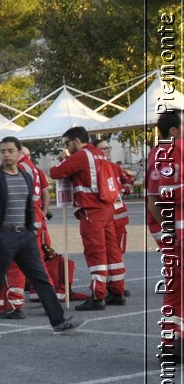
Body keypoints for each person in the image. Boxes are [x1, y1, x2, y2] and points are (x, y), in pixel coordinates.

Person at [0, 137, 79, 340]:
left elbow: (30, 207)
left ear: (20, 153)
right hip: (4, 237)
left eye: (10, 151)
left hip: (25, 238)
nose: (6, 155)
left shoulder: (25, 177)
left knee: (41, 279)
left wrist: (30, 231)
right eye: (2, 151)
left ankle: (59, 322)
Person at [51, 126, 121, 310]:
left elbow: (55, 172)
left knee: (95, 252)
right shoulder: (98, 153)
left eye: (67, 143)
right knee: (112, 251)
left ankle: (98, 296)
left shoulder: (82, 156)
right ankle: (117, 290)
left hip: (92, 210)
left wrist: (63, 159)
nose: (67, 147)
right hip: (106, 207)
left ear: (75, 140)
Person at [146, 110, 183, 364]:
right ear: (174, 130)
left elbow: (152, 199)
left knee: (175, 286)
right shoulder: (177, 148)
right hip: (177, 227)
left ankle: (171, 343)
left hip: (169, 228)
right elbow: (163, 195)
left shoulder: (158, 152)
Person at [96, 139, 133, 303]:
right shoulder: (95, 168)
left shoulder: (116, 168)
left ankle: (117, 285)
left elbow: (128, 181)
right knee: (105, 253)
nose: (108, 151)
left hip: (119, 218)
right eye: (104, 149)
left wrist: (124, 190)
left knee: (117, 253)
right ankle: (111, 285)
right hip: (104, 219)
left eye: (108, 148)